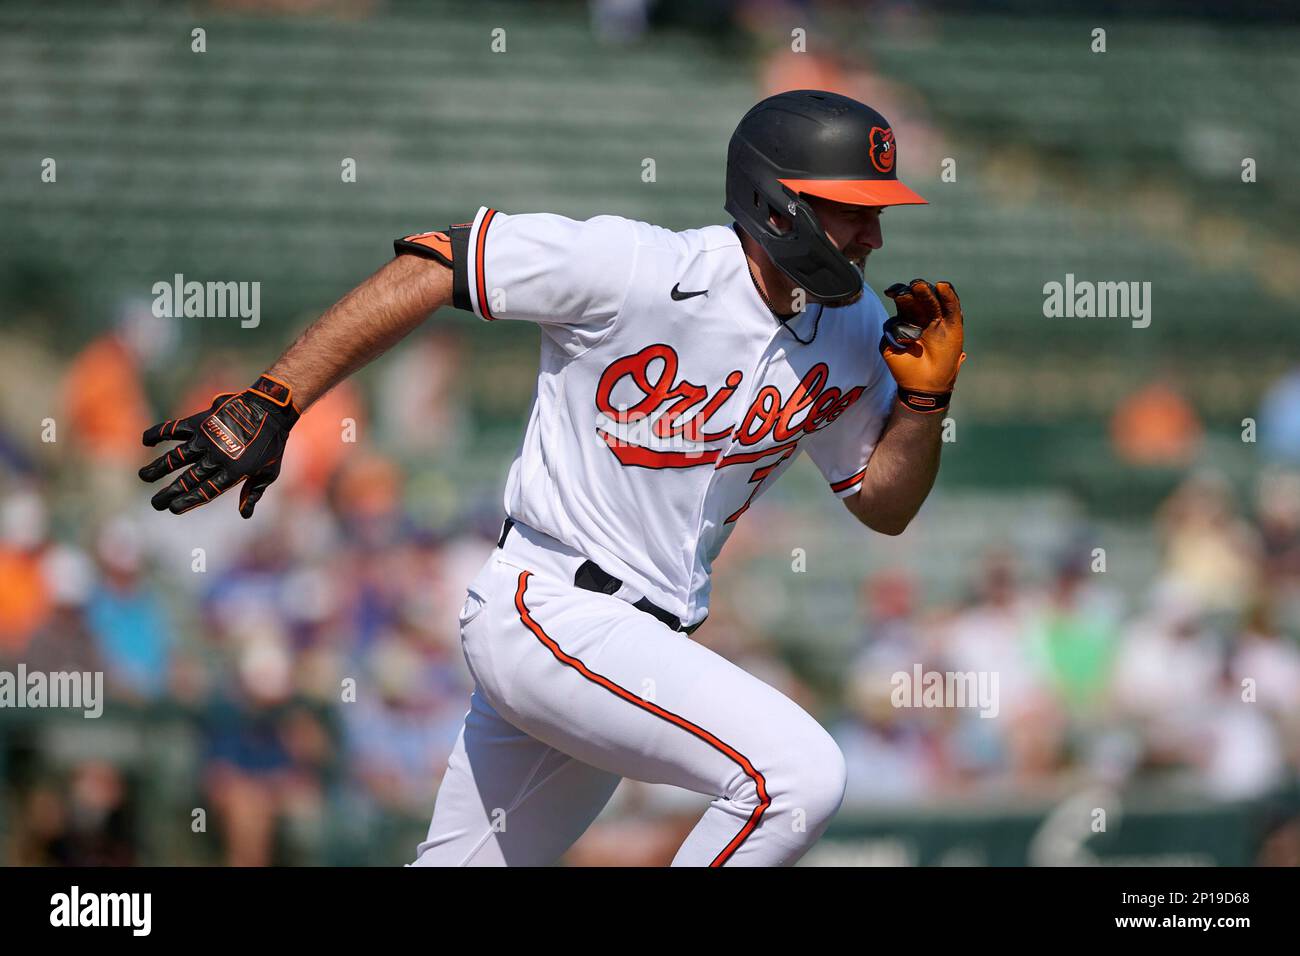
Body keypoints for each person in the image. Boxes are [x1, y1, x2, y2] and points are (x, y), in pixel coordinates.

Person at [138, 90, 967, 866]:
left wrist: (923, 406)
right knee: (798, 776)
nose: (874, 237)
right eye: (854, 209)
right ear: (779, 203)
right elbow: (439, 259)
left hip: (634, 643)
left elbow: (881, 507)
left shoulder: (854, 328)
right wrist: (277, 398)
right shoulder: (637, 268)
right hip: (550, 609)